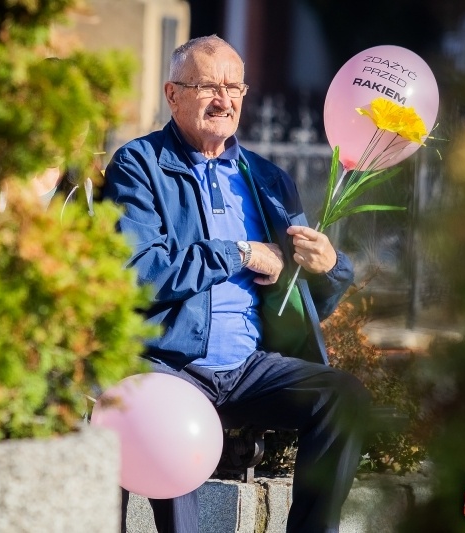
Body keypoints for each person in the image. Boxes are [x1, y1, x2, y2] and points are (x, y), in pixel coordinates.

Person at [102, 34, 371, 533]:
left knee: (343, 396)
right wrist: (239, 253)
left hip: (249, 367)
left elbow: (305, 305)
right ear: (173, 94)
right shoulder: (139, 165)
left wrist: (327, 266)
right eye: (207, 86)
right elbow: (136, 272)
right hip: (169, 362)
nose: (224, 99)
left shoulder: (268, 178)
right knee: (172, 423)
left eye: (234, 87)